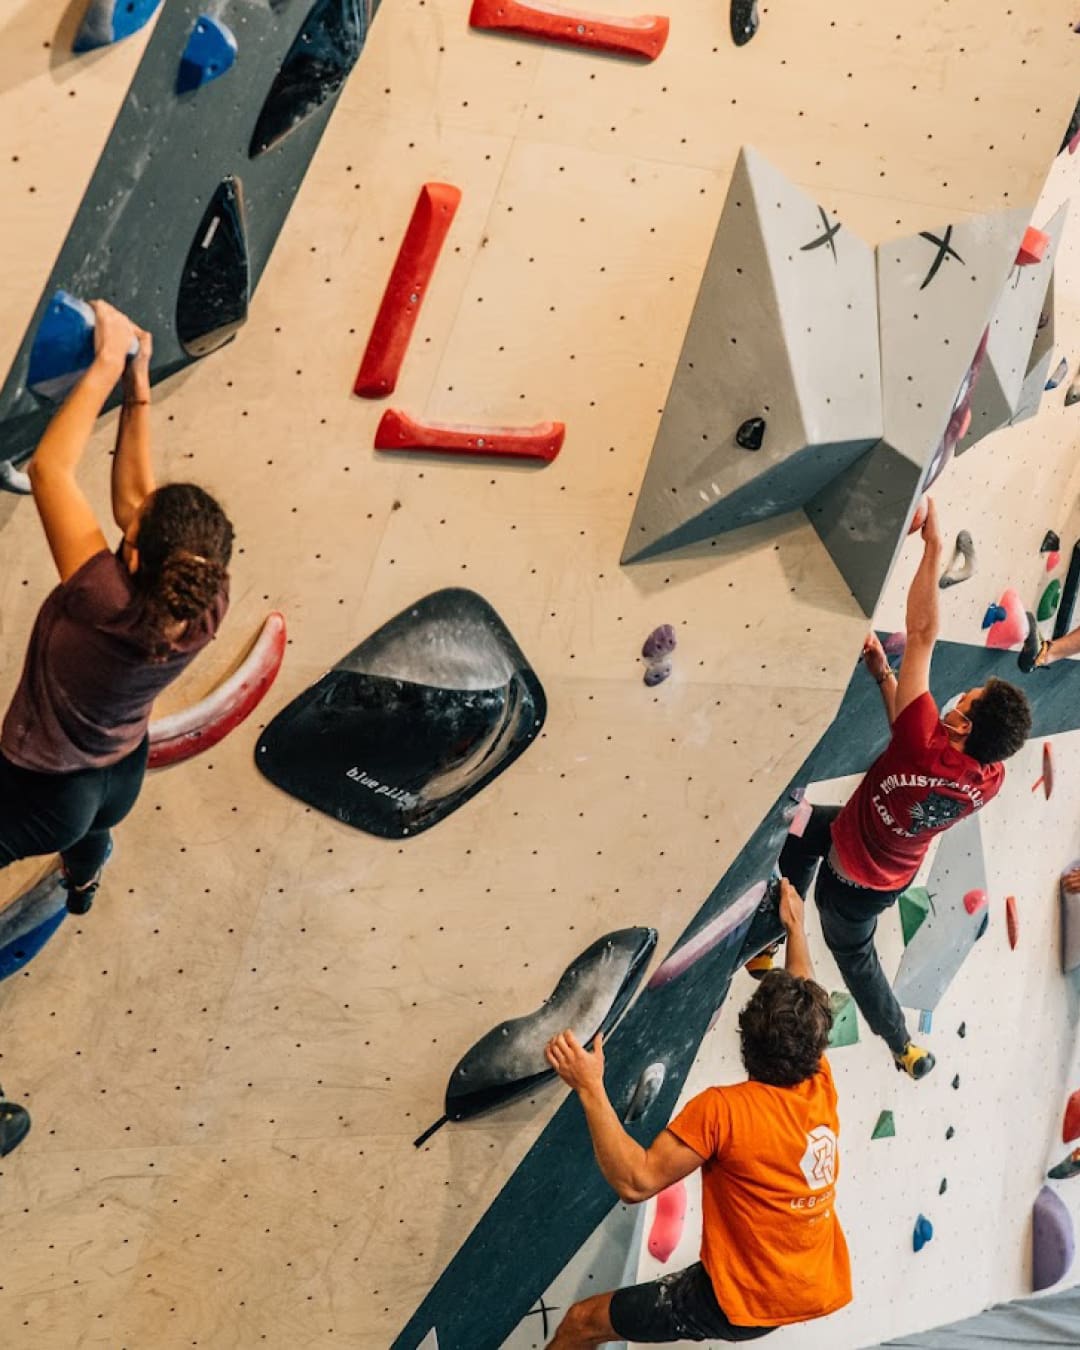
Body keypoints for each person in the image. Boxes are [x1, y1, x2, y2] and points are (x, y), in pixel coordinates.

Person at [765, 497, 1031, 1080]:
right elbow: (906, 736)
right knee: (796, 829)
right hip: (889, 864)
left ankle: (901, 1042)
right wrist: (884, 676)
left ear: (960, 726)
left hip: (850, 877)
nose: (959, 696)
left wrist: (933, 549)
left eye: (967, 701)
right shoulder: (989, 775)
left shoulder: (924, 739)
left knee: (854, 958)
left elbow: (922, 631)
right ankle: (766, 939)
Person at [543, 879, 851, 1347]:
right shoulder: (817, 1082)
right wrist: (796, 929)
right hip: (799, 1283)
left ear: (745, 1040)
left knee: (583, 1322)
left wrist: (589, 1086)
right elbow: (803, 993)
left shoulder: (725, 1112)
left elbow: (636, 1181)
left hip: (740, 1301)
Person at [0, 300, 233, 914]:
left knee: (67, 826)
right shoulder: (206, 596)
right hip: (115, 777)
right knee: (86, 833)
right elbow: (135, 500)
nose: (130, 509)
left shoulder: (101, 599)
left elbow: (52, 470)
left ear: (132, 560)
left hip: (40, 791)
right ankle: (82, 886)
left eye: (130, 532)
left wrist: (105, 362)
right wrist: (137, 393)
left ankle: (83, 870)